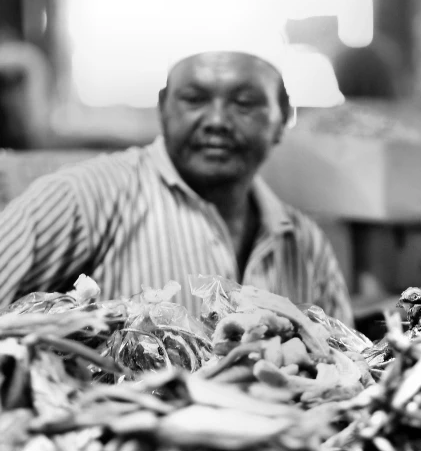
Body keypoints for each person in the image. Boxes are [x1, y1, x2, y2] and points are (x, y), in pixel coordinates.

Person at [0, 29, 354, 325]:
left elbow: (346, 373)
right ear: (162, 110)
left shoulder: (306, 245)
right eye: (194, 99)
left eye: (244, 103)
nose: (217, 120)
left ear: (282, 120)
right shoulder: (85, 199)